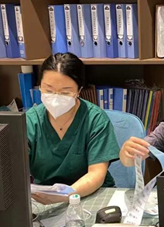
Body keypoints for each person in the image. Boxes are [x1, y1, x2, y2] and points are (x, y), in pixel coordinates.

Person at [27, 53, 120, 204]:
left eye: (65, 92)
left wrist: (64, 195)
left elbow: (96, 174)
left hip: (92, 194)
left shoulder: (95, 119)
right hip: (43, 198)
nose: (56, 98)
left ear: (79, 90)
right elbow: (14, 169)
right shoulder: (30, 122)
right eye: (49, 90)